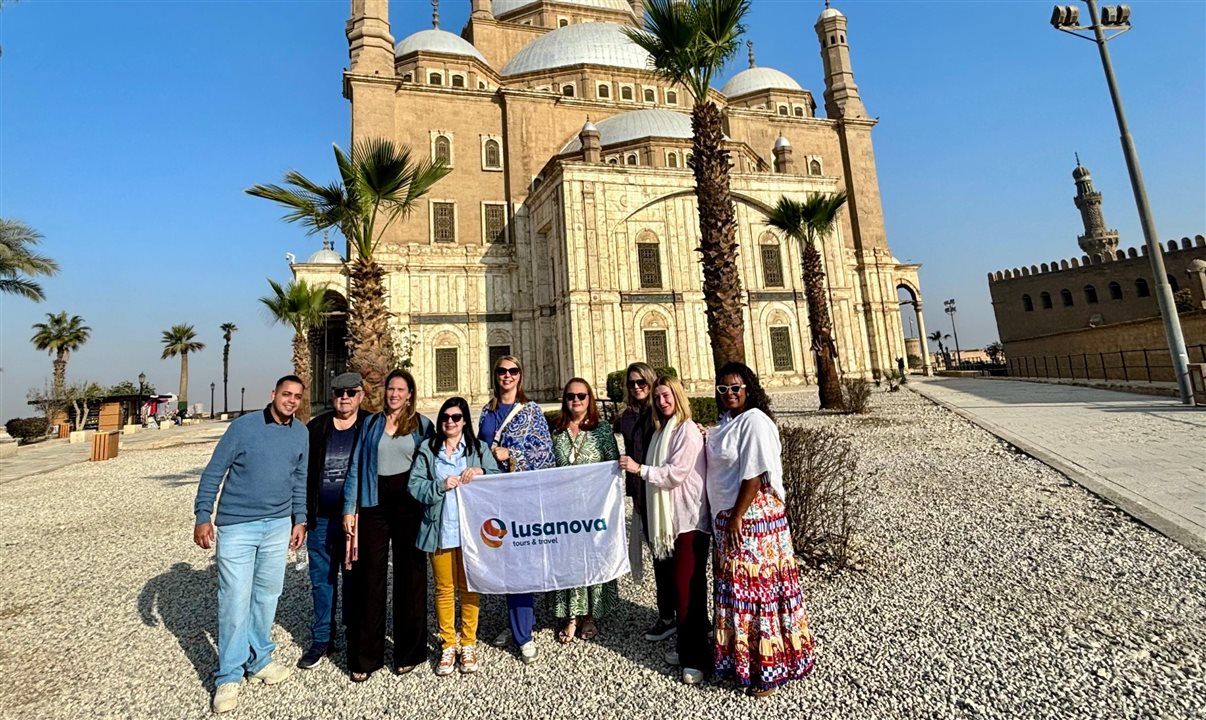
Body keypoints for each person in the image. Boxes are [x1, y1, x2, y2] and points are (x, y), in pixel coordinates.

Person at [193, 375, 309, 714]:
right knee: (234, 598)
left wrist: (299, 518)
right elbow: (214, 472)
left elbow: (299, 478)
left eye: (297, 397)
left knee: (267, 595)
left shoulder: (300, 433)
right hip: (237, 525)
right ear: (273, 394)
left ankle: (260, 659)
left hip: (277, 526)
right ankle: (228, 674)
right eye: (286, 394)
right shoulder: (243, 428)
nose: (290, 400)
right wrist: (203, 514)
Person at [706, 362, 815, 698]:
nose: (730, 394)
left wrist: (737, 516)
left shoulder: (755, 422)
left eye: (736, 388)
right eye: (723, 389)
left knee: (757, 593)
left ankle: (769, 668)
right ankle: (739, 662)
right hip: (729, 515)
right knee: (737, 593)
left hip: (752, 521)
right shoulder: (727, 423)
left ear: (749, 389)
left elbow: (755, 474)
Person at [342, 369, 433, 682]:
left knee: (411, 575)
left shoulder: (423, 426)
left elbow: (436, 465)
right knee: (370, 576)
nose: (394, 394)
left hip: (409, 506)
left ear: (410, 393)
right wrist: (349, 510)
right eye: (390, 389)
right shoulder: (370, 424)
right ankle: (365, 657)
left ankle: (410, 652)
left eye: (400, 389)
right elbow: (356, 466)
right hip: (374, 506)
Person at [619, 375, 710, 684]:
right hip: (671, 521)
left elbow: (675, 474)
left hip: (689, 520)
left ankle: (695, 659)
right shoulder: (661, 432)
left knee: (688, 589)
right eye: (658, 397)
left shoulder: (686, 430)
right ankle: (689, 646)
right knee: (683, 586)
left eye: (666, 395)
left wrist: (638, 469)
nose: (661, 401)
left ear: (678, 396)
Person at [410, 397, 501, 676]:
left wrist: (482, 470)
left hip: (470, 532)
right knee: (444, 589)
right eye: (445, 417)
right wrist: (439, 485)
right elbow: (414, 485)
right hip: (440, 530)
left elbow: (498, 478)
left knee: (470, 586)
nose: (450, 421)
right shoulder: (428, 448)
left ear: (464, 421)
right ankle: (448, 643)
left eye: (456, 417)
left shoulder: (477, 449)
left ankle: (469, 642)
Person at [478, 355, 553, 663]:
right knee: (504, 563)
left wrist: (512, 454)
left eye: (512, 371)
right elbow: (478, 448)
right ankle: (516, 624)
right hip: (491, 497)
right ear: (495, 375)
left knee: (520, 561)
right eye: (501, 371)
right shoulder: (487, 411)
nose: (506, 376)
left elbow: (544, 454)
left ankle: (524, 633)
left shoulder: (532, 412)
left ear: (520, 376)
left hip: (521, 497)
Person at [297, 372, 370, 670]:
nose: (344, 397)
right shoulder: (315, 427)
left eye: (351, 392)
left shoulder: (371, 426)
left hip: (358, 521)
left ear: (361, 395)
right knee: (322, 580)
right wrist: (300, 517)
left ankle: (355, 632)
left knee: (356, 579)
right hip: (322, 519)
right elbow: (300, 474)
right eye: (339, 392)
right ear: (331, 396)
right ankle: (322, 638)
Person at [549, 378, 620, 644]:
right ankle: (571, 616)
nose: (575, 400)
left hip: (594, 510)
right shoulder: (556, 431)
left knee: (592, 558)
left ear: (589, 398)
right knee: (569, 560)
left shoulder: (601, 431)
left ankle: (590, 615)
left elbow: (613, 468)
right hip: (564, 511)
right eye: (570, 396)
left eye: (581, 395)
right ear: (564, 400)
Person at [616, 361, 676, 642]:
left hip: (666, 494)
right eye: (632, 384)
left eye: (642, 382)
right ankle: (667, 616)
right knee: (659, 558)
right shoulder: (626, 417)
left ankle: (687, 616)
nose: (637, 387)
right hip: (643, 495)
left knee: (675, 557)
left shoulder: (662, 412)